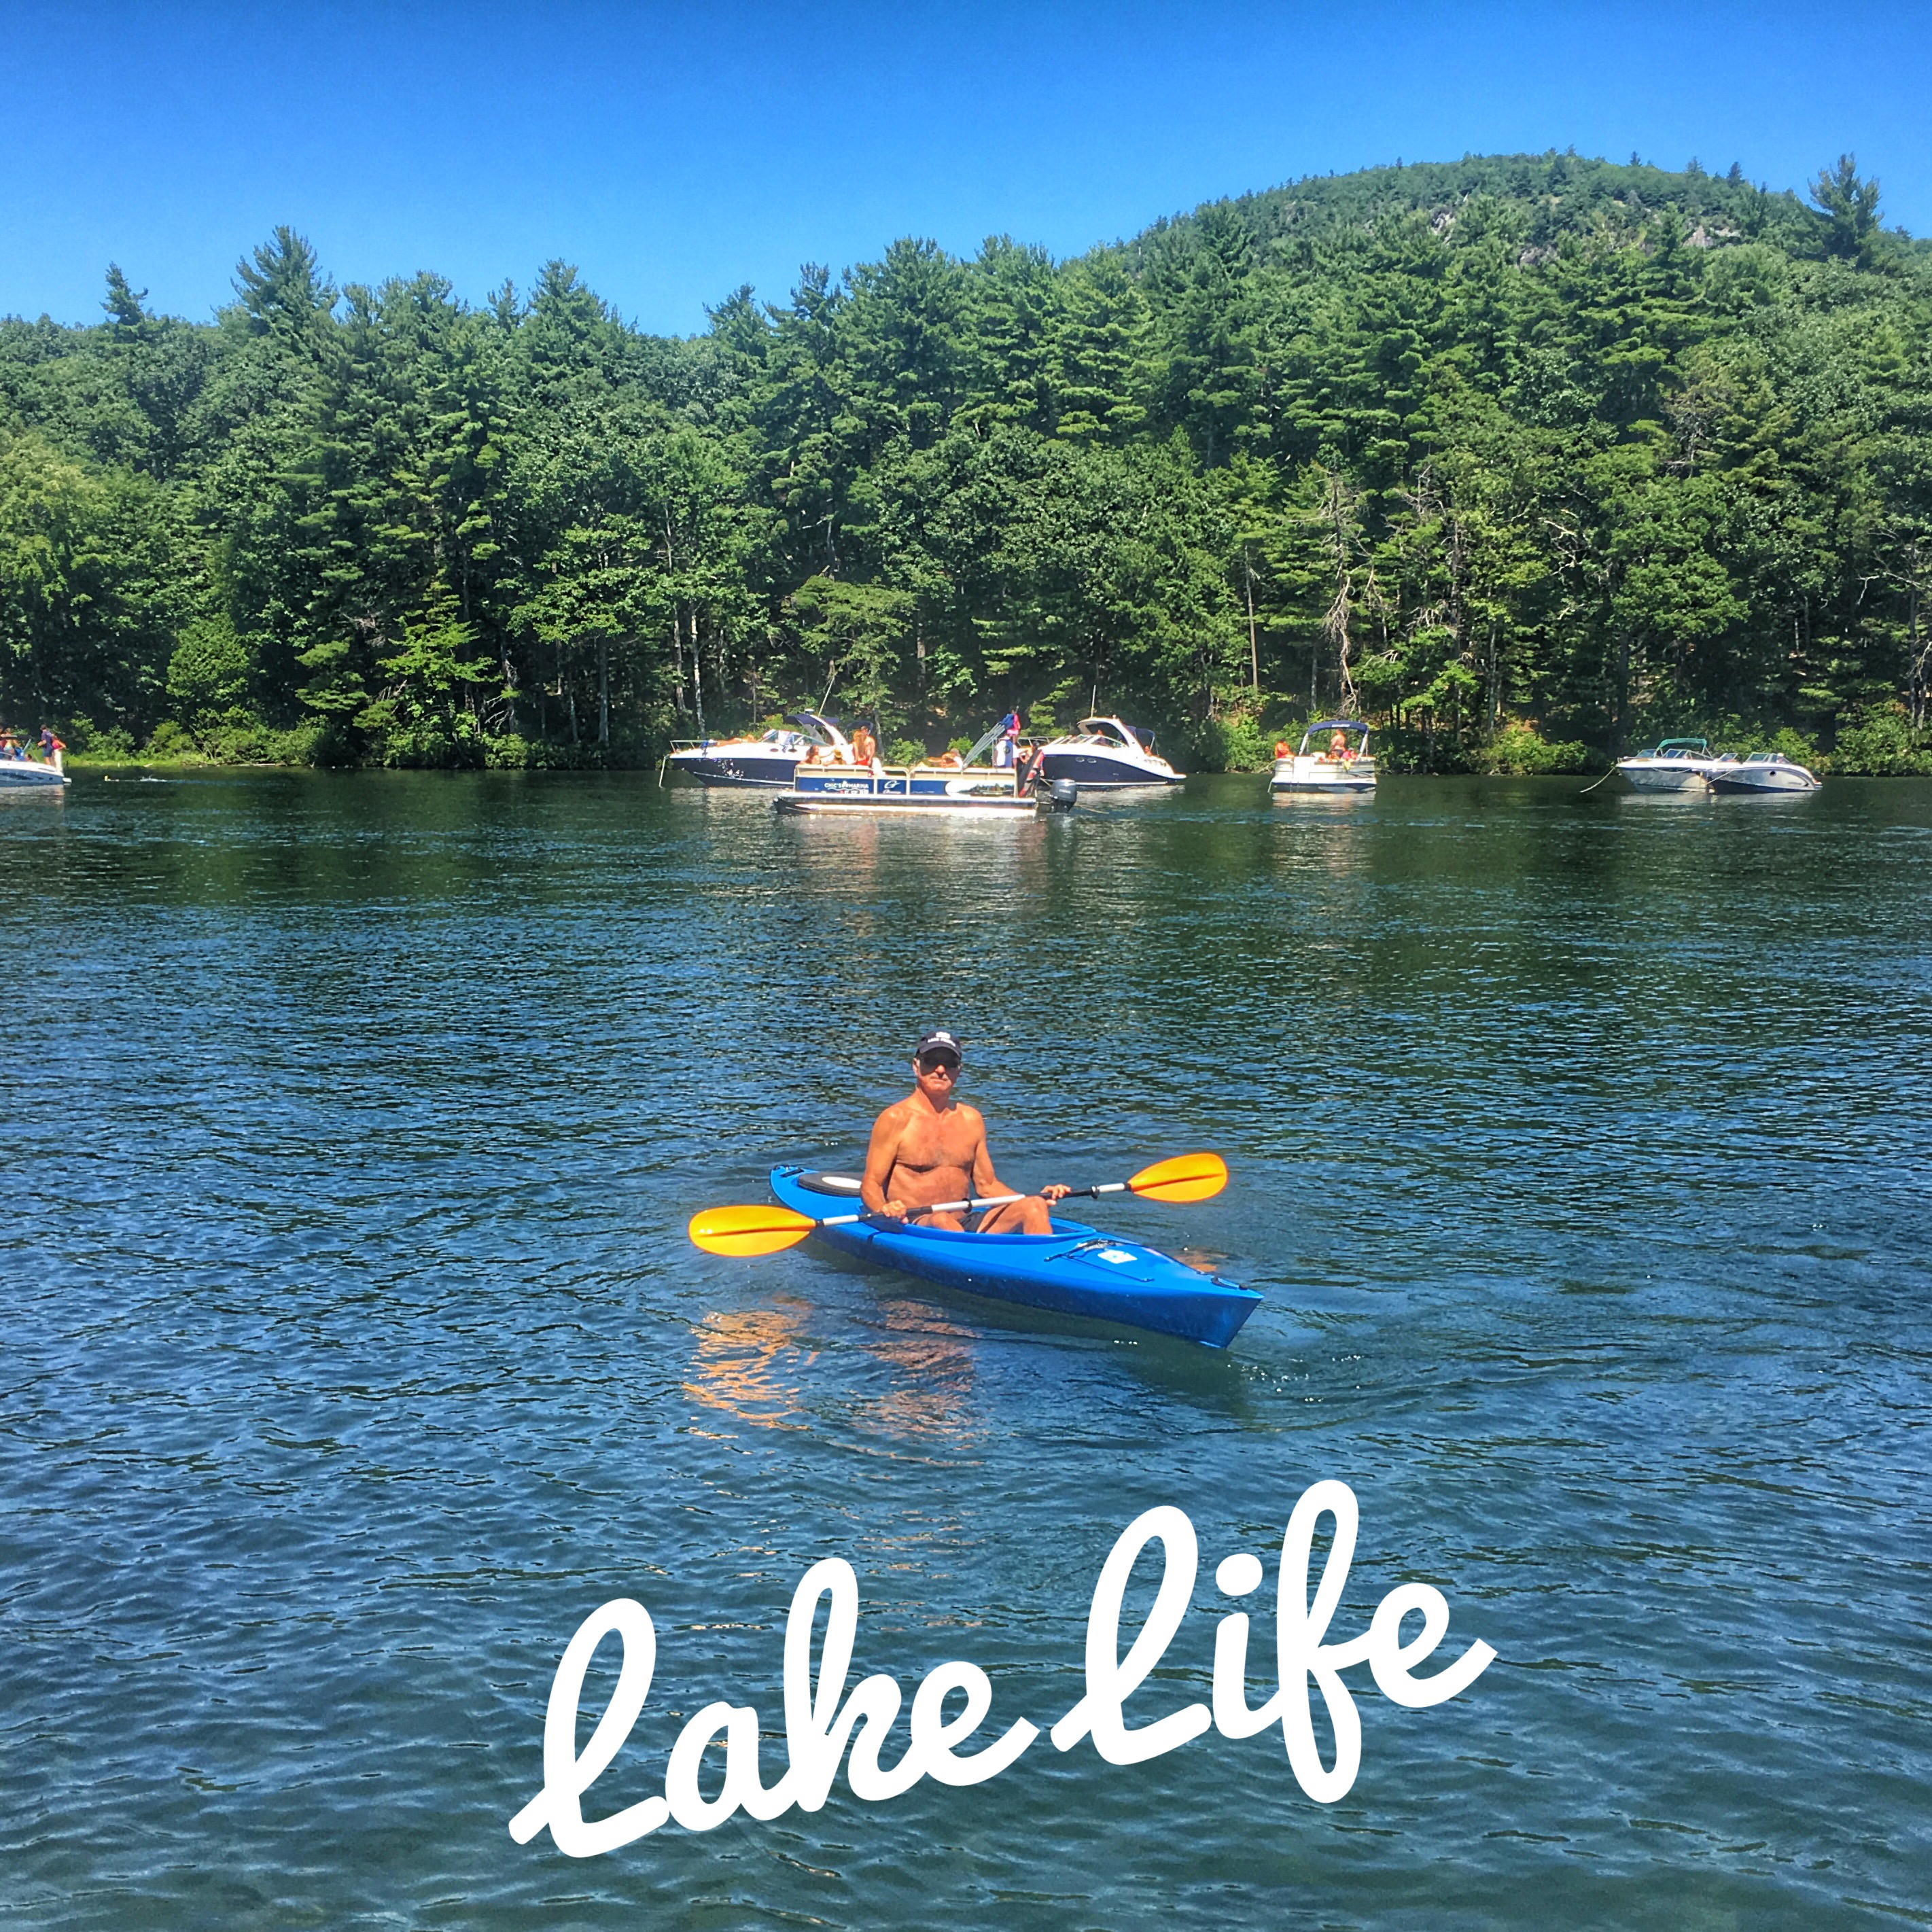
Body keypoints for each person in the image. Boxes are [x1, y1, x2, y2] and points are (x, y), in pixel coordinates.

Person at [862, 1030, 1069, 1234]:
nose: (940, 1069)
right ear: (916, 1066)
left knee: (1034, 1207)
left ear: (958, 1071)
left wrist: (1034, 1198)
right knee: (941, 1220)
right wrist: (884, 1208)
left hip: (963, 1222)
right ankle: (971, 1254)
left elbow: (987, 1186)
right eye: (931, 1061)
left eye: (949, 1063)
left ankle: (1048, 1256)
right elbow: (871, 1184)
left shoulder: (971, 1120)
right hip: (914, 1223)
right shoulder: (895, 1119)